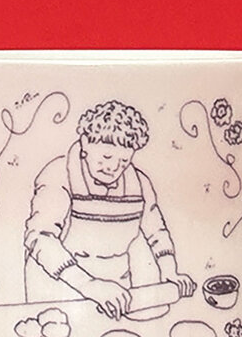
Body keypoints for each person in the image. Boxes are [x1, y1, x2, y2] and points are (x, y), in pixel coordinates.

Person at [23, 99, 195, 318]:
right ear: (85, 143)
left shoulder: (139, 184)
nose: (114, 168)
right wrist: (90, 285)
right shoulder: (58, 175)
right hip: (59, 291)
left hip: (114, 295)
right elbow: (40, 237)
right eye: (106, 157)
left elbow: (156, 232)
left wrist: (169, 270)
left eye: (123, 161)